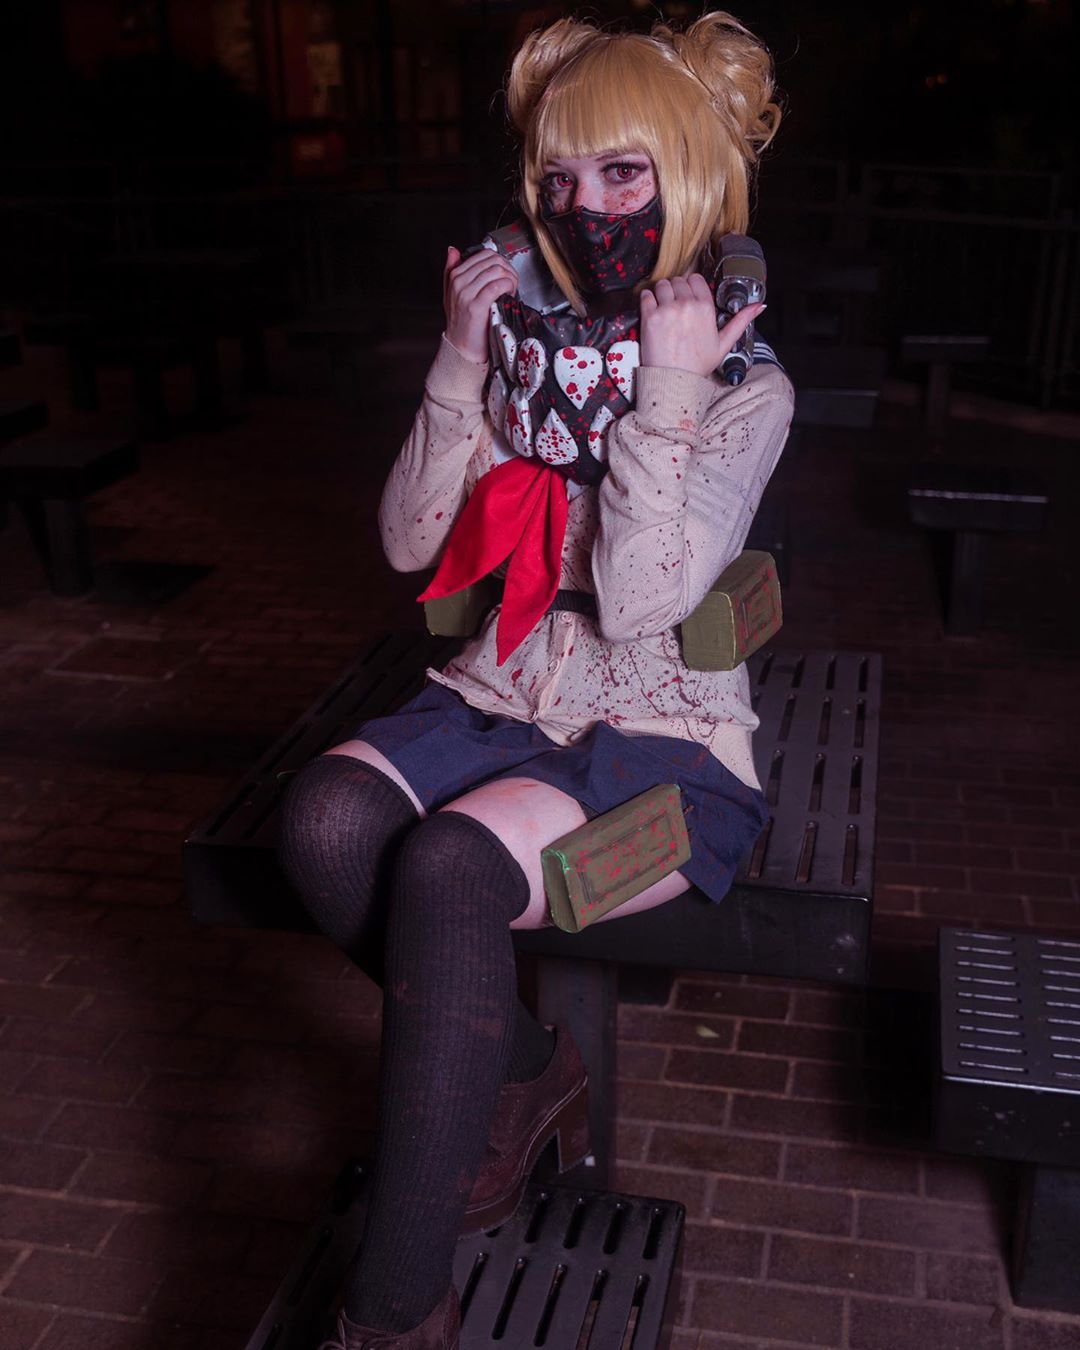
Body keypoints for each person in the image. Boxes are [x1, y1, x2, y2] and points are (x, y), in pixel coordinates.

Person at [279, 12, 793, 1349]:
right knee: (324, 824)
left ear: (691, 176)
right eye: (560, 179)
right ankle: (516, 1065)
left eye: (625, 173)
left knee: (448, 869)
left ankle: (392, 1310)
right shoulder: (527, 356)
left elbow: (645, 599)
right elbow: (409, 544)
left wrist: (666, 393)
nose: (587, 209)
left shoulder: (744, 382)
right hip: (502, 689)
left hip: (667, 754)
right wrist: (460, 358)